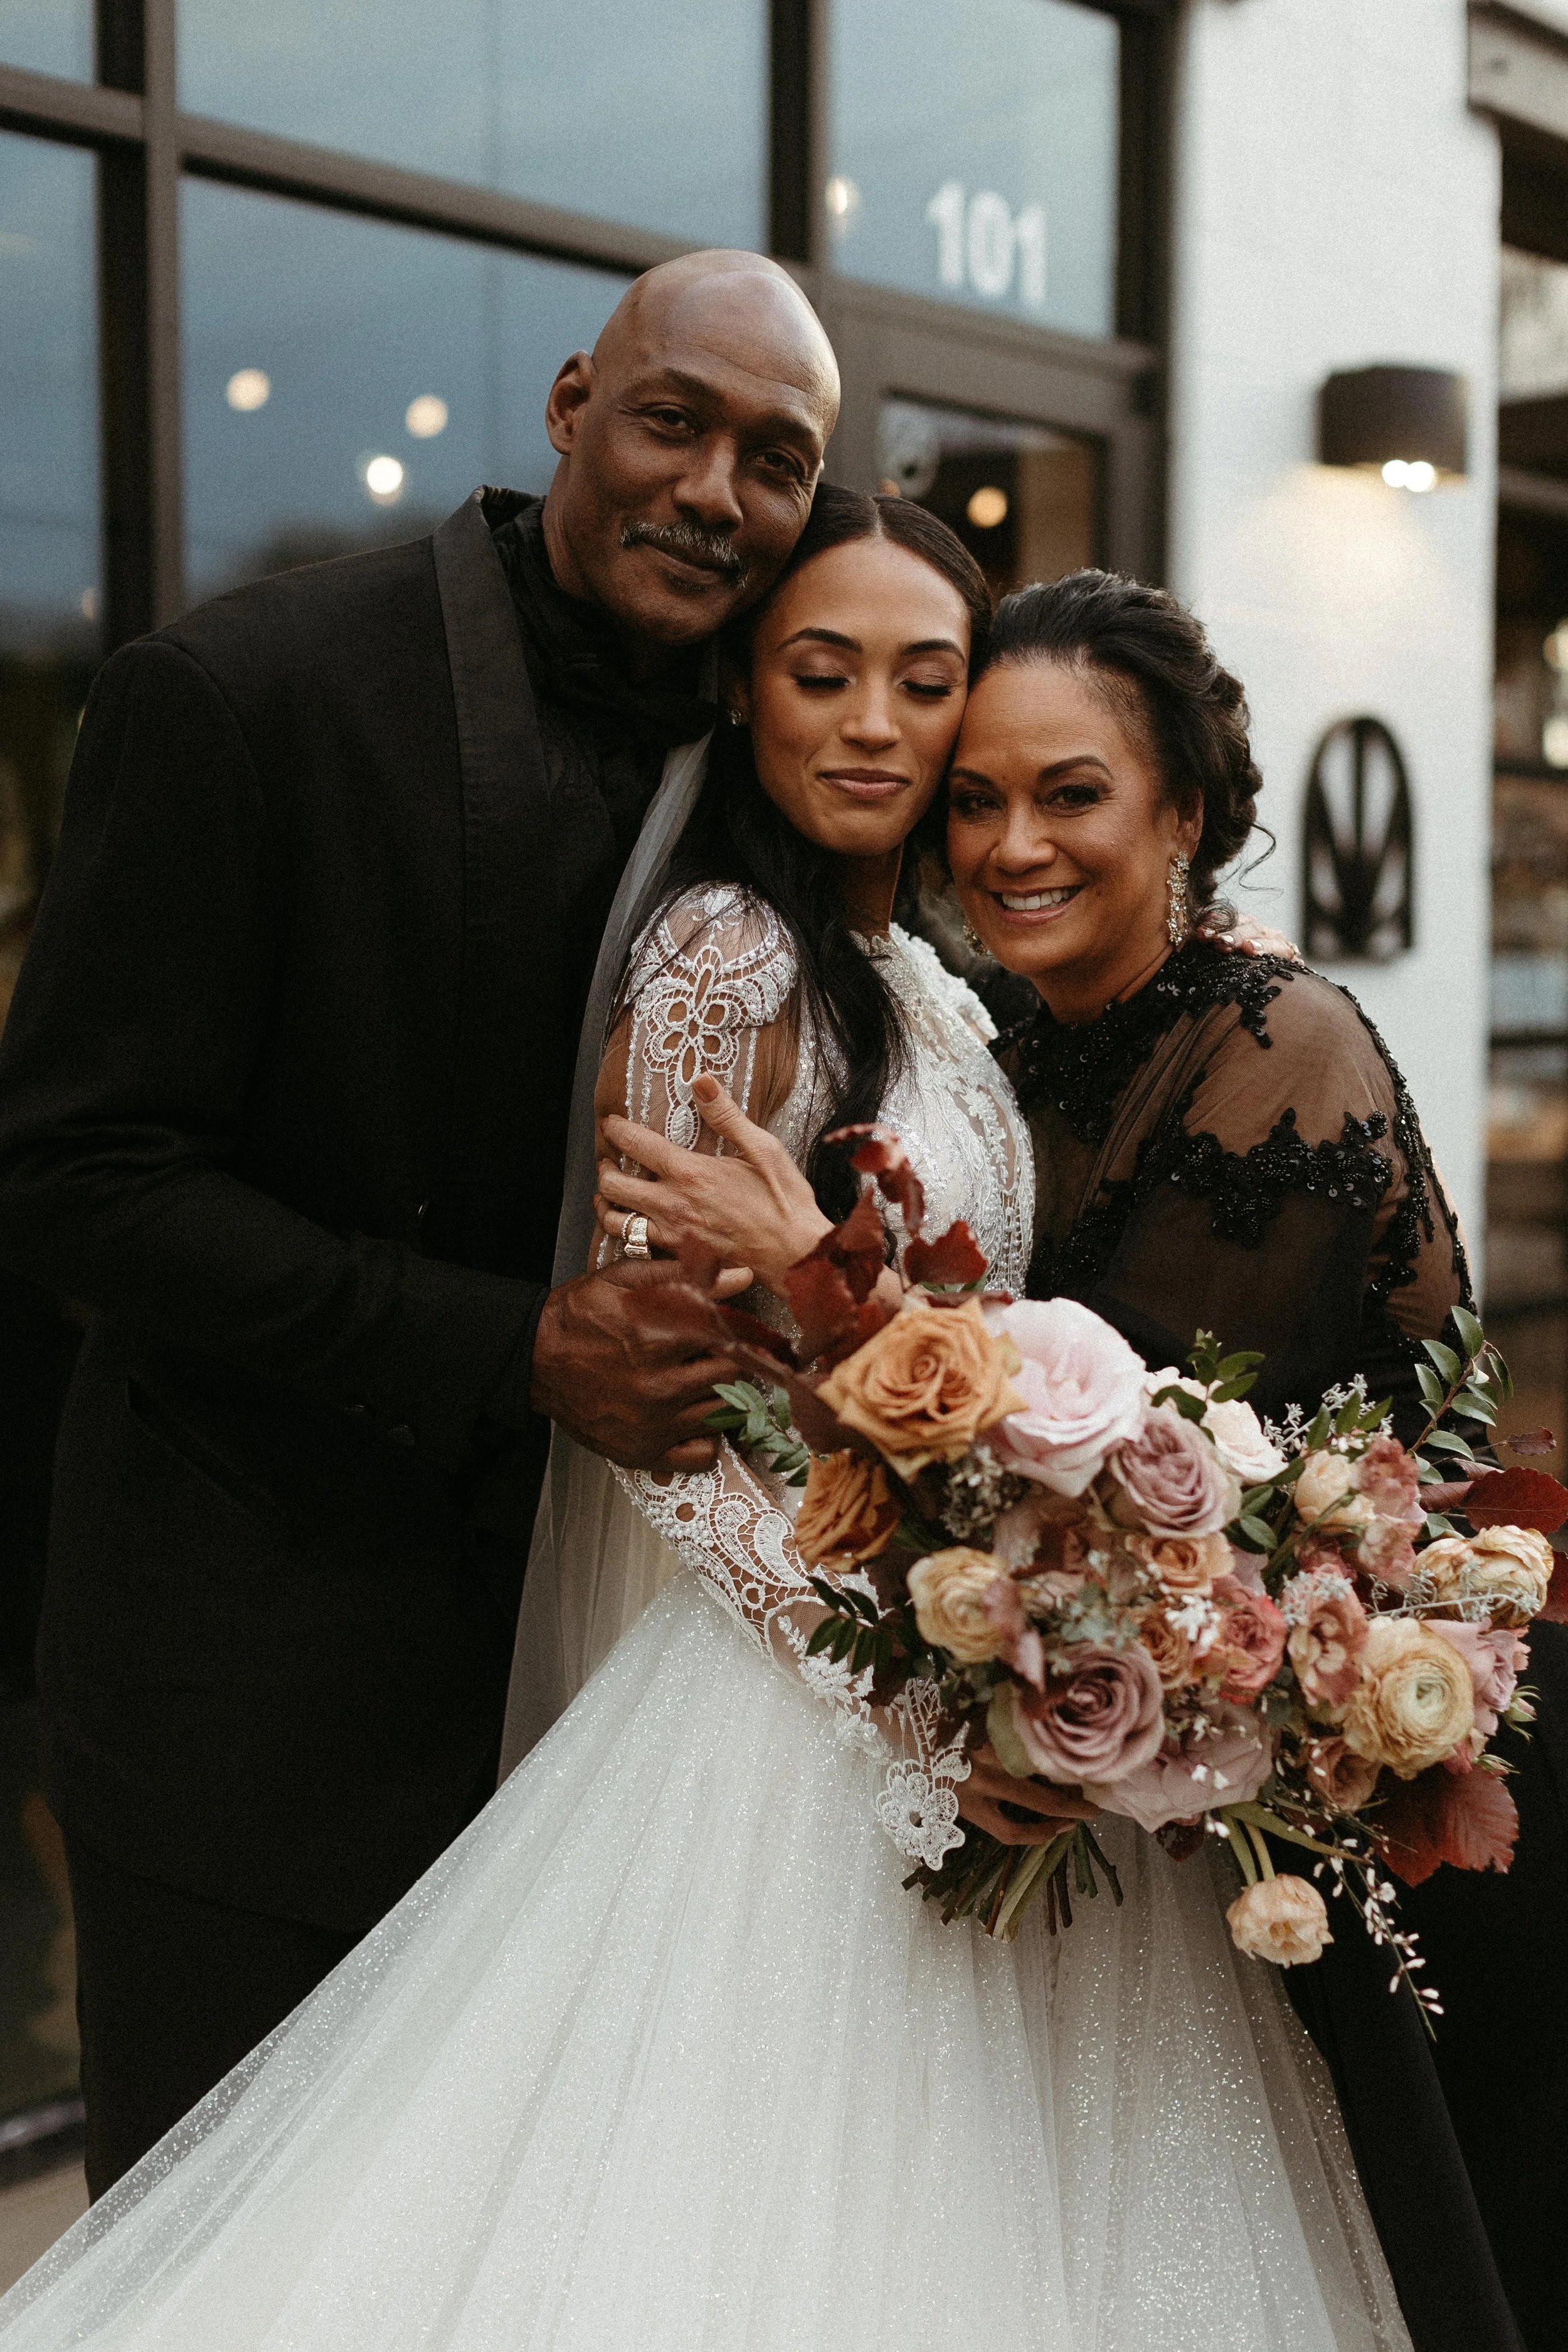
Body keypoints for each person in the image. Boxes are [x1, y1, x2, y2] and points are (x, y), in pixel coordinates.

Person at [0, 496, 1407, 2352]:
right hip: (785, 1708)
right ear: (741, 697)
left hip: (931, 1654)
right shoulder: (725, 958)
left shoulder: (918, 975)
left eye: (925, 683)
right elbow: (671, 1423)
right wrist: (908, 1695)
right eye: (818, 673)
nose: (875, 726)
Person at [610, 568, 1535, 2352]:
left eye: (1071, 792)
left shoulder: (1281, 1050)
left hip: (1338, 1798)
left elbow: (1115, 1477)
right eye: (977, 797)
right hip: (1151, 1774)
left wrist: (817, 1275)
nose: (1010, 842)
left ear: (1184, 809)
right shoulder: (988, 1029)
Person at [0, 246, 840, 2197]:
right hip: (253, 1710)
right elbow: (69, 1176)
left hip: (603, 1728)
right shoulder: (240, 694)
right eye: (671, 420)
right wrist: (516, 1347)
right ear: (566, 407)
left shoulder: (785, 746)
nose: (716, 488)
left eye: (775, 457)